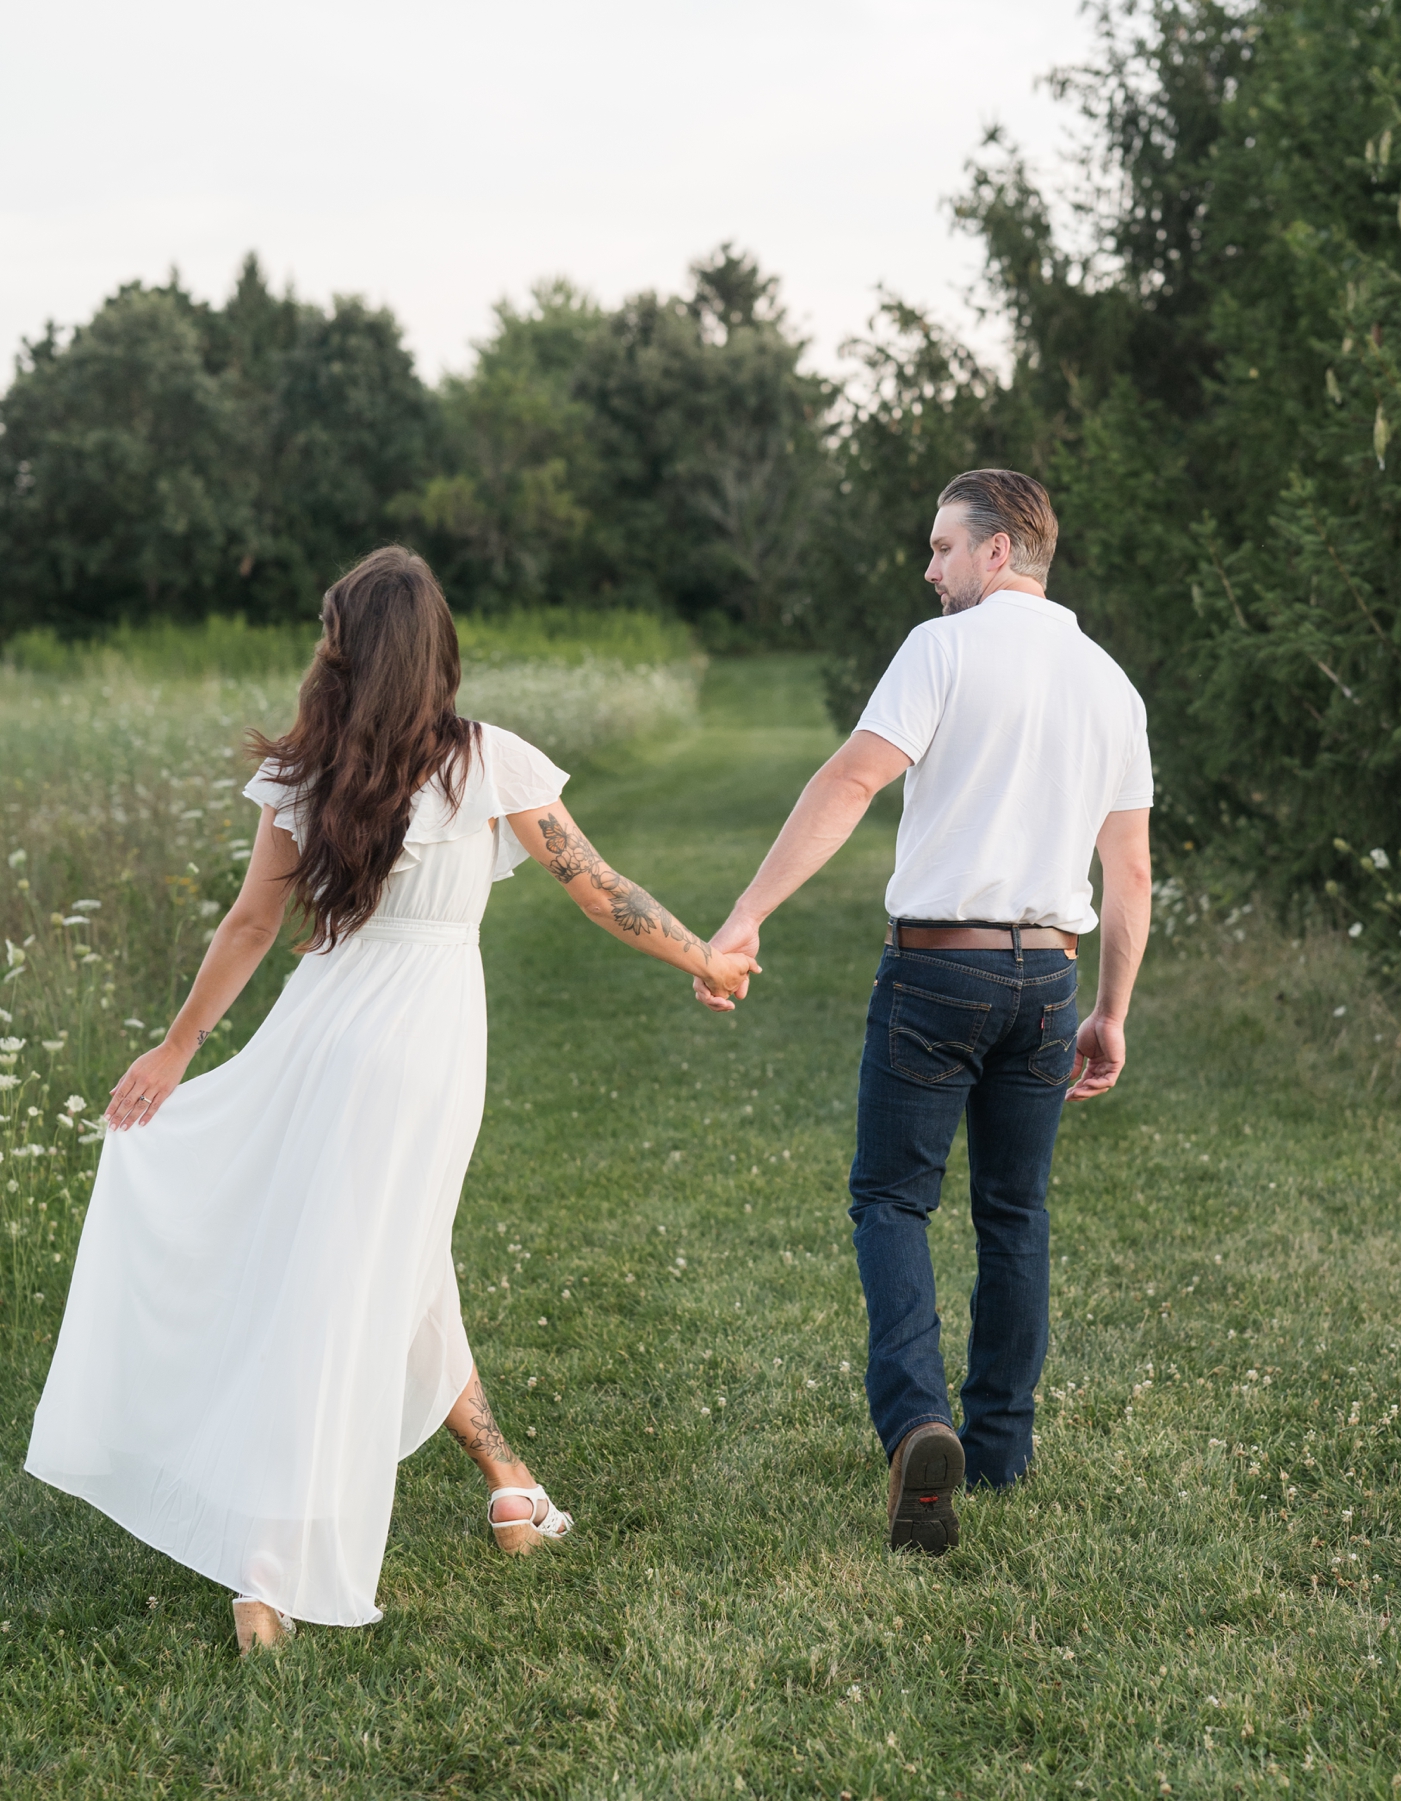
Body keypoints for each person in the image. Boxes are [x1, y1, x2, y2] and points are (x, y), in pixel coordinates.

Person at [26, 547, 756, 1652]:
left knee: (378, 1259)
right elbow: (598, 887)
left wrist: (178, 1049)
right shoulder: (489, 762)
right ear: (437, 651)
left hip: (320, 1028)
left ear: (343, 650)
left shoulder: (305, 770)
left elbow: (251, 927)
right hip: (423, 1041)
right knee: (365, 1270)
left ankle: (507, 1481)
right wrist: (704, 956)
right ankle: (272, 1567)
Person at [697, 469, 1153, 1554]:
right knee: (1015, 1213)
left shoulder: (941, 649)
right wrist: (1112, 1010)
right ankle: (998, 1450)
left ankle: (917, 1427)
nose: (929, 568)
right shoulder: (1111, 684)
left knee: (894, 1203)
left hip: (937, 970)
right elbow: (1128, 874)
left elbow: (852, 781)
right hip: (1048, 978)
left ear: (999, 553)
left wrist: (748, 915)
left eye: (943, 547)